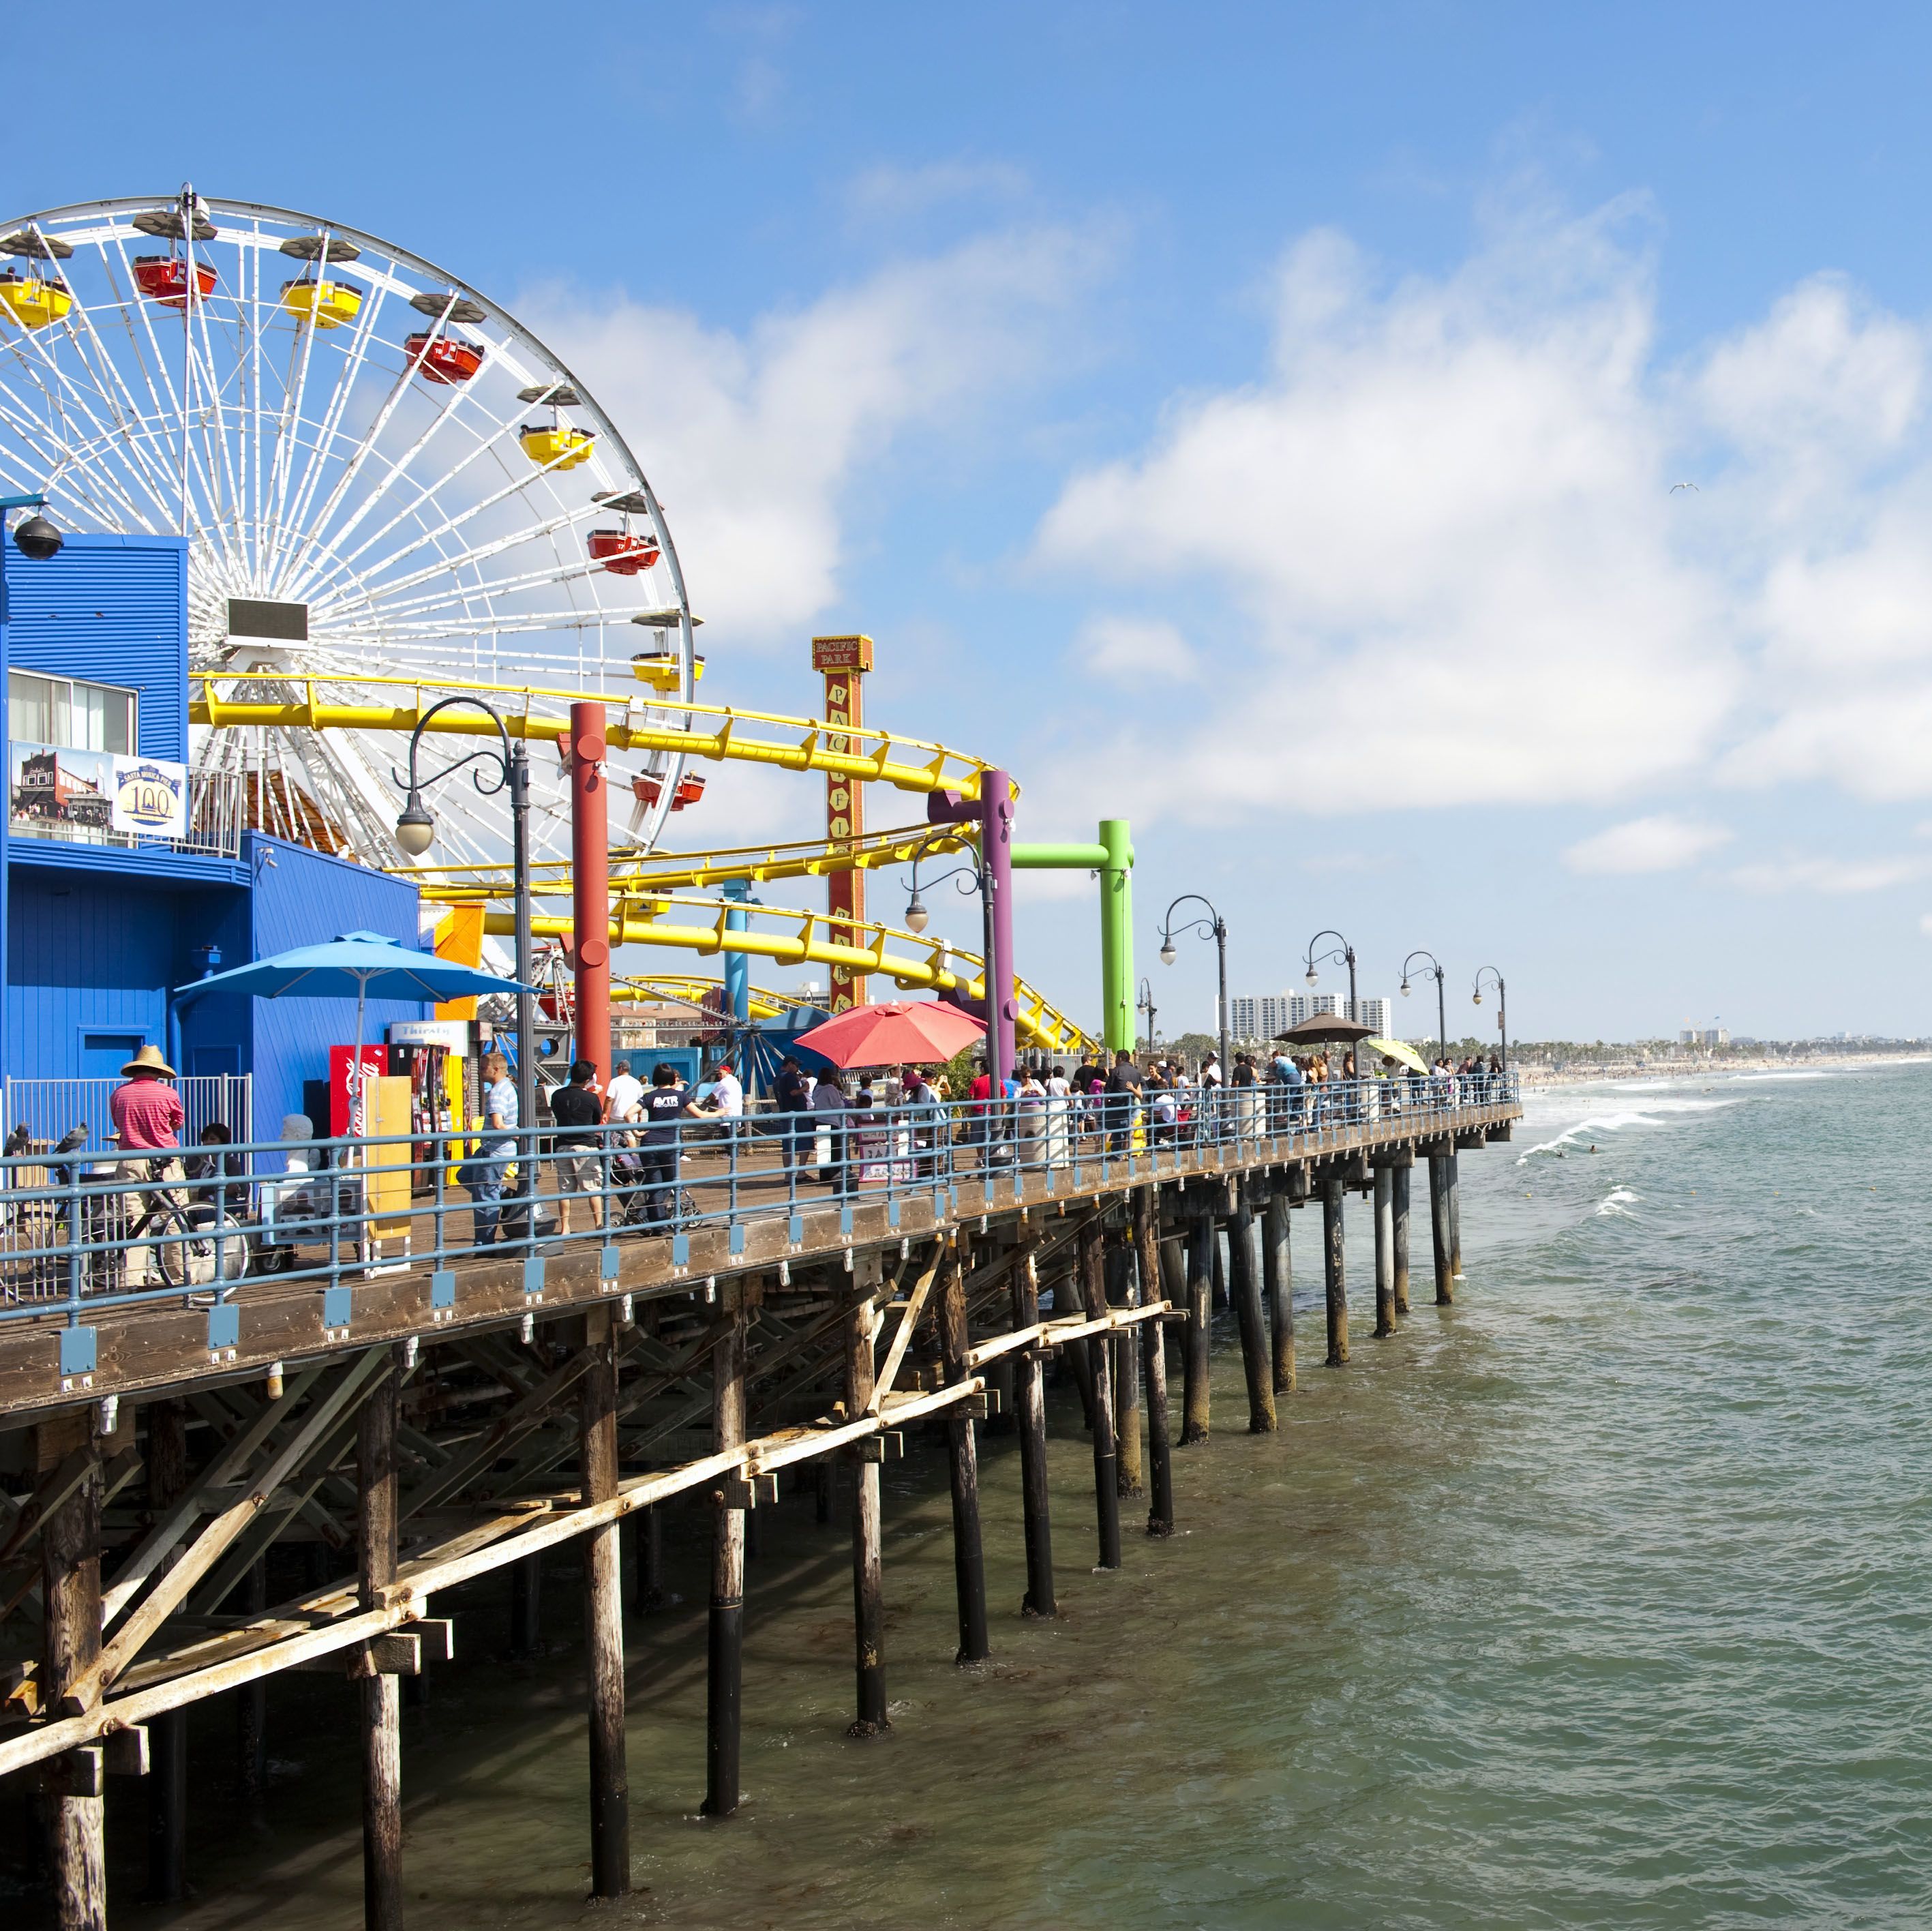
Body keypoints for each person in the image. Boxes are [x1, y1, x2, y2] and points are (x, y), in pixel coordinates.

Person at [111, 1044, 187, 1284]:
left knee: (135, 1220)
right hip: (164, 1160)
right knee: (175, 1219)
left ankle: (131, 1279)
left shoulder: (119, 1094)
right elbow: (178, 1123)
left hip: (129, 1159)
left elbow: (118, 1124)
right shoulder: (168, 1094)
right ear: (158, 1072)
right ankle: (181, 1275)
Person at [466, 1051, 517, 1246]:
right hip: (491, 1148)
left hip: (494, 1149)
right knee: (466, 1176)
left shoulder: (497, 1093)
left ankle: (484, 1242)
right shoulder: (508, 1087)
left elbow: (497, 1123)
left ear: (495, 1069)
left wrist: (512, 1132)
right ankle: (504, 1193)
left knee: (486, 1195)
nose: (479, 1072)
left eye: (482, 1068)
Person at [637, 1062, 699, 1225]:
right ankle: (647, 1214)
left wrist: (637, 1131)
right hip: (669, 1145)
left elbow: (628, 1113)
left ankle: (656, 1224)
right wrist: (720, 1113)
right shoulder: (680, 1096)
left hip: (649, 1144)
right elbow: (700, 1114)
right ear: (672, 1078)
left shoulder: (650, 1096)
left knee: (655, 1184)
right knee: (671, 1182)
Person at [547, 1060, 605, 1234]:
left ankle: (565, 1227)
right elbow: (597, 1120)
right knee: (593, 1188)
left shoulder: (557, 1095)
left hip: (563, 1145)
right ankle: (599, 1226)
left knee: (565, 1190)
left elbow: (557, 1113)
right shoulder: (592, 1097)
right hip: (586, 1146)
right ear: (588, 1080)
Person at [812, 1068, 849, 1191]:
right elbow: (837, 1104)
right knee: (835, 1150)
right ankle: (835, 1173)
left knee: (823, 1150)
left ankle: (824, 1175)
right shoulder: (830, 1089)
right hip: (831, 1121)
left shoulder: (817, 1089)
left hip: (819, 1120)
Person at [773, 1054, 813, 1170]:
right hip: (797, 1115)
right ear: (790, 1064)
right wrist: (805, 1087)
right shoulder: (790, 1077)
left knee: (788, 1147)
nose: (797, 1068)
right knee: (806, 1143)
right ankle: (801, 1172)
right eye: (796, 1065)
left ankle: (788, 1175)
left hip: (785, 1114)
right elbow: (793, 1093)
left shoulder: (778, 1078)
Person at [1103, 1048, 1143, 1154]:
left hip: (1117, 1107)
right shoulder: (1136, 1072)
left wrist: (1106, 1103)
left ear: (1120, 1058)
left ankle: (1117, 1155)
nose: (1115, 1060)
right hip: (1130, 1106)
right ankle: (1128, 1155)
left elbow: (1108, 1090)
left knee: (1117, 1134)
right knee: (1128, 1132)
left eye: (1116, 1058)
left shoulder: (1116, 1071)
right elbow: (1141, 1090)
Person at [603, 1057, 644, 1137]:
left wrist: (604, 1113)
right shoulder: (636, 1082)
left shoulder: (614, 1081)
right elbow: (640, 1102)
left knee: (611, 1137)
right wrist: (639, 1115)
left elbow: (609, 1099)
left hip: (616, 1116)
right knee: (630, 1137)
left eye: (618, 1069)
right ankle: (633, 1150)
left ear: (621, 1069)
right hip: (631, 1116)